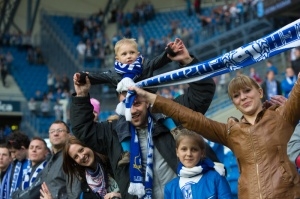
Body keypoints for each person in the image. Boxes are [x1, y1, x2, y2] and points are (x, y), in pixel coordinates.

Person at [70, 42, 218, 198]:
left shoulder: (170, 113)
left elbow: (202, 94)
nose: (132, 110)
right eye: (126, 103)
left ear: (147, 99)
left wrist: (187, 61)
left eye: (137, 102)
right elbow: (82, 129)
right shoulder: (112, 133)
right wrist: (81, 95)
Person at [129, 73, 300, 198]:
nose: (243, 97)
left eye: (247, 91)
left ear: (260, 92)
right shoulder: (231, 132)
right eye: (236, 95)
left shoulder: (282, 116)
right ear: (234, 102)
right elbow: (191, 118)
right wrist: (152, 99)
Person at [78, 38, 183, 167]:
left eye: (132, 52)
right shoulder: (114, 73)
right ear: (117, 59)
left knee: (160, 109)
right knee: (121, 125)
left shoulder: (145, 66)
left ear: (138, 54)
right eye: (124, 54)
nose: (129, 56)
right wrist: (84, 77)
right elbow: (99, 77)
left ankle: (175, 131)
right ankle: (127, 153)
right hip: (127, 106)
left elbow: (159, 61)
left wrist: (170, 52)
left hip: (148, 101)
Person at [12, 120, 81, 199]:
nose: (55, 134)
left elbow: (75, 195)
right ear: (49, 136)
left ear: (69, 135)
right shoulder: (49, 163)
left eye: (60, 131)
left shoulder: (70, 158)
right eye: (52, 131)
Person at [164, 128, 231, 199]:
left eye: (194, 149)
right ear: (177, 152)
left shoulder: (216, 177)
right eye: (184, 149)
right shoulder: (170, 188)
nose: (189, 154)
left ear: (202, 153)